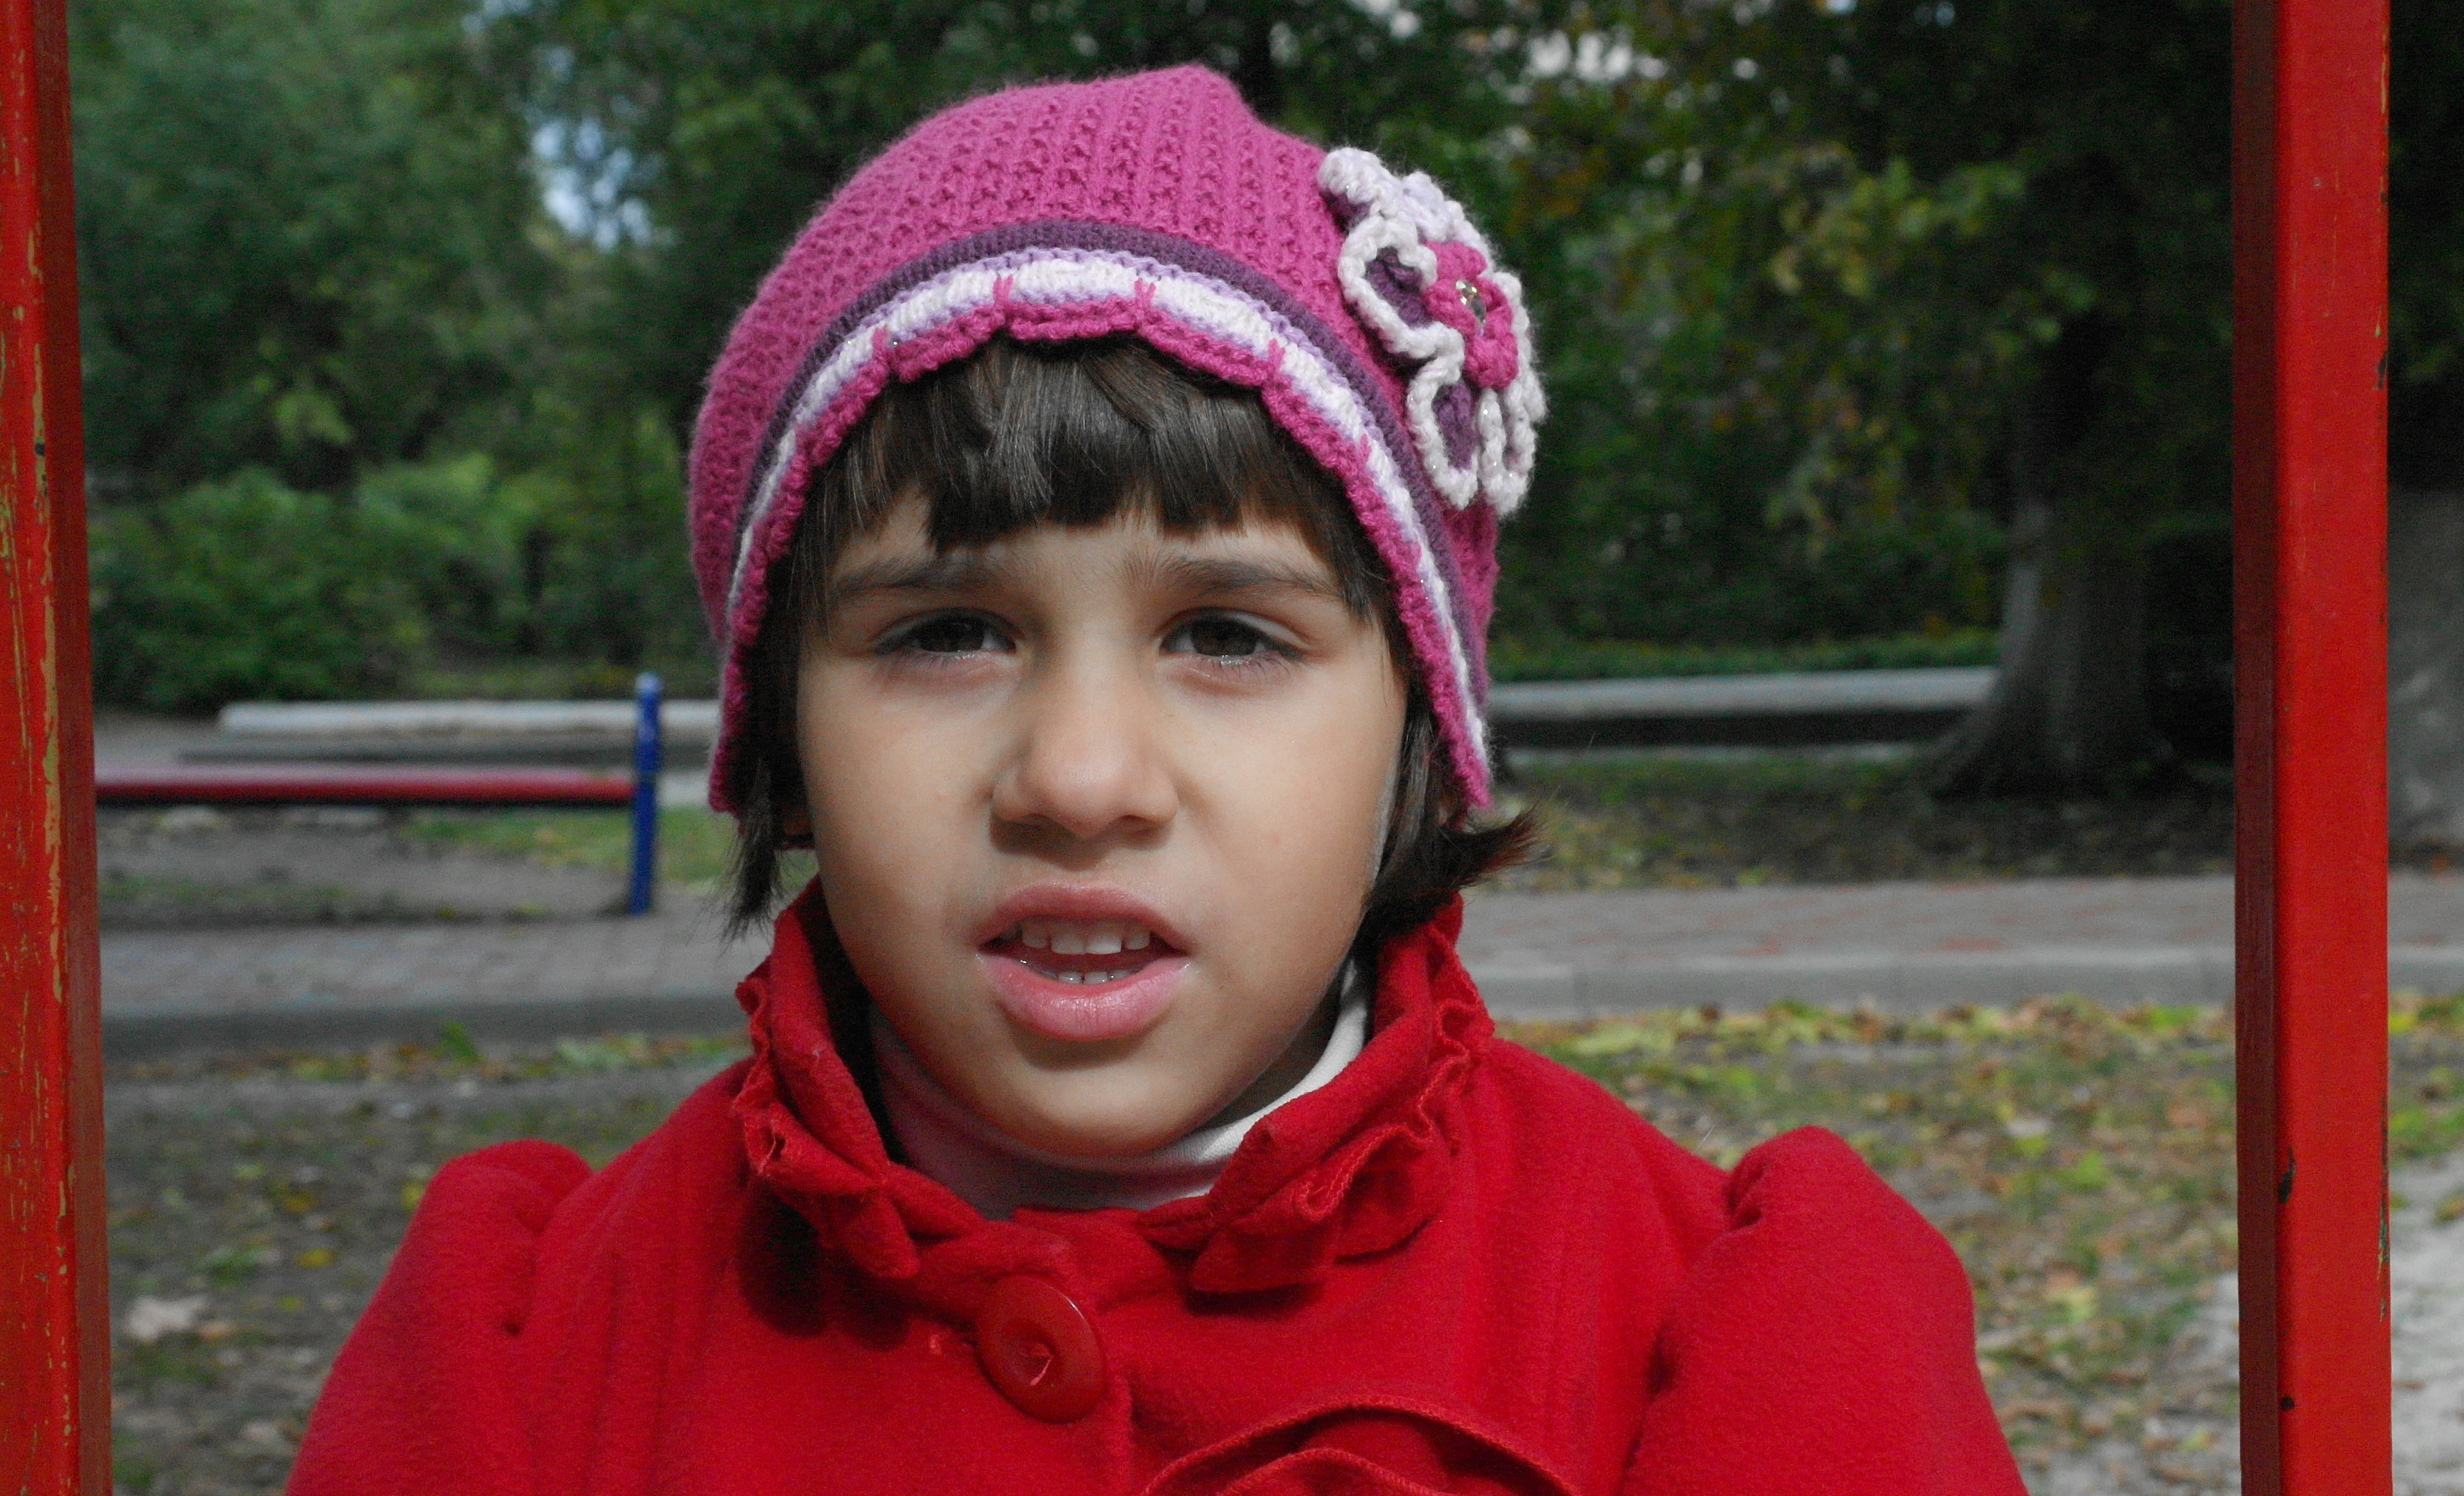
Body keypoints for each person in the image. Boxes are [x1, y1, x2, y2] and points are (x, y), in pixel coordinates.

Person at [287, 66, 2026, 1495]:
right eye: (948, 632)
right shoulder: (524, 1364)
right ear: (783, 740)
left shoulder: (1722, 1344)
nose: (1081, 778)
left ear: (1419, 731)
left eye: (1229, 636)